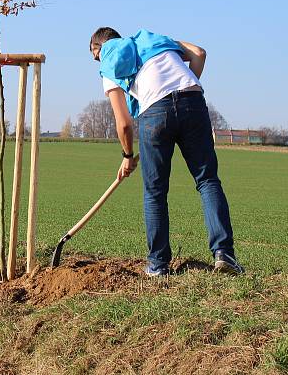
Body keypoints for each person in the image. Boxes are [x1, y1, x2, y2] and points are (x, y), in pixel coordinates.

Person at [90, 27, 244, 276]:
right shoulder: (150, 39)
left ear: (98, 49)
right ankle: (224, 254)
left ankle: (158, 265)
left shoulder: (109, 62)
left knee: (155, 191)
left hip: (154, 112)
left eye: (94, 57)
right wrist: (181, 100)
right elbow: (199, 53)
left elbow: (125, 123)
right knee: (207, 180)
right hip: (192, 99)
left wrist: (127, 156)